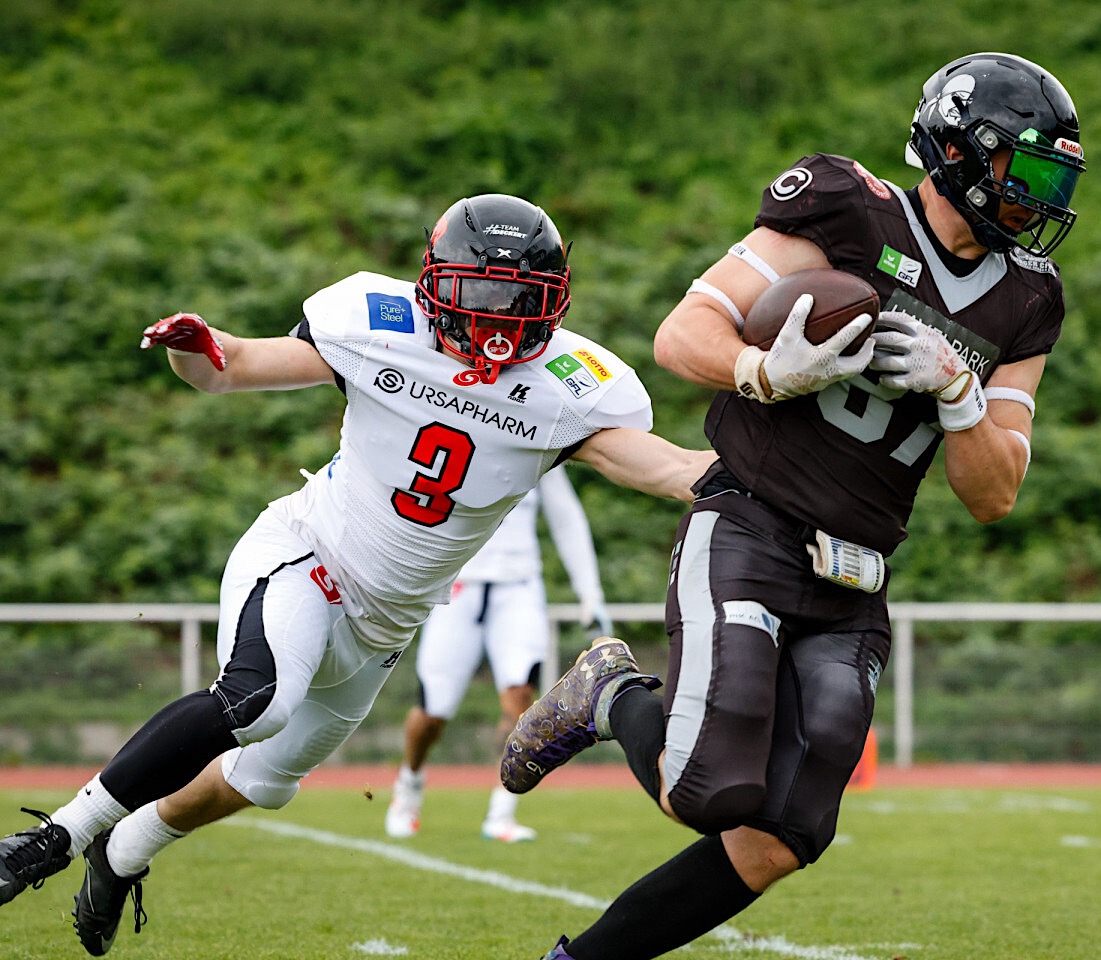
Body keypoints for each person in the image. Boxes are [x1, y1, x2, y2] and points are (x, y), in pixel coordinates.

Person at [0, 193, 712, 957]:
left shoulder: (573, 386)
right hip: (310, 557)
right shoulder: (378, 323)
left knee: (264, 778)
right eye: (481, 296)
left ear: (555, 300)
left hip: (387, 624)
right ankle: (56, 838)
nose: (499, 320)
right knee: (257, 701)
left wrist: (776, 469)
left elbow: (674, 468)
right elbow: (230, 368)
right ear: (434, 285)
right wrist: (194, 346)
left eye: (519, 300)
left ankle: (124, 851)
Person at [499, 52, 1088, 959]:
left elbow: (994, 492)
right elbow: (684, 331)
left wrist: (961, 397)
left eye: (1056, 178)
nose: (1040, 199)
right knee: (707, 791)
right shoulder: (846, 208)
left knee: (780, 838)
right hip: (752, 524)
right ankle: (608, 690)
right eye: (1029, 170)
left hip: (857, 573)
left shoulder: (1028, 298)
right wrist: (764, 371)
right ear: (962, 153)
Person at [384, 463, 611, 842]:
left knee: (520, 698)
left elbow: (566, 515)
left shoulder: (540, 437)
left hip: (519, 585)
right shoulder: (464, 423)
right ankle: (409, 783)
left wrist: (591, 592)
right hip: (458, 584)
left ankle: (501, 810)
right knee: (433, 710)